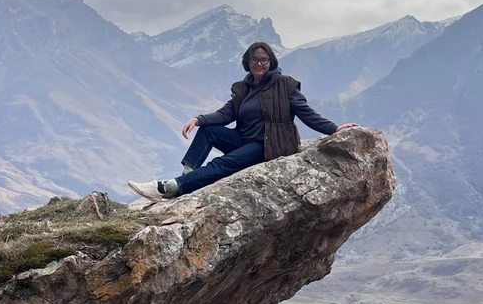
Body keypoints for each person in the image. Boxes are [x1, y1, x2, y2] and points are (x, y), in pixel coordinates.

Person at [128, 39, 357, 201]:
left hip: (268, 146)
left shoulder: (285, 84)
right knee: (209, 131)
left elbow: (307, 113)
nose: (259, 64)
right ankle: (187, 177)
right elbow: (226, 114)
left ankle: (171, 188)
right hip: (245, 140)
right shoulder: (242, 88)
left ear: (272, 62)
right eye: (255, 59)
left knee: (222, 164)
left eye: (264, 60)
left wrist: (334, 129)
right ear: (247, 61)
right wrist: (197, 120)